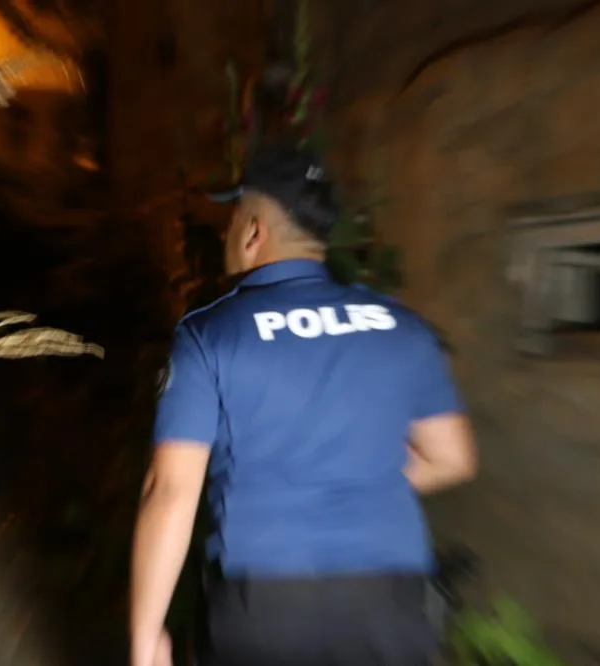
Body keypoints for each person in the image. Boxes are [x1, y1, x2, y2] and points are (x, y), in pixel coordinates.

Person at [130, 142, 477, 666]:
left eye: (233, 219)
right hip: (392, 606)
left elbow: (171, 491)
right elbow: (452, 458)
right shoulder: (403, 328)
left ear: (253, 233)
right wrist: (345, 480)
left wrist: (146, 634)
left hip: (265, 609)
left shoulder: (210, 335)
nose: (227, 234)